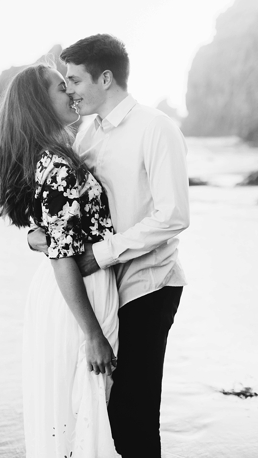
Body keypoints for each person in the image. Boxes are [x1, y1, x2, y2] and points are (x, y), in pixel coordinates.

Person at [27, 34, 190, 458]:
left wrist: (98, 255)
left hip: (148, 284)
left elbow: (173, 216)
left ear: (105, 78)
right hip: (106, 289)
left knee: (133, 415)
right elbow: (67, 209)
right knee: (105, 409)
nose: (71, 91)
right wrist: (37, 236)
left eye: (75, 81)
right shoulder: (85, 135)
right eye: (65, 83)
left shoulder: (156, 128)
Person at [0, 62, 120, 457]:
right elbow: (63, 255)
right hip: (77, 294)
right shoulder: (57, 163)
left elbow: (49, 233)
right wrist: (92, 335)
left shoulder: (53, 154)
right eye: (62, 88)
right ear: (41, 102)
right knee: (83, 409)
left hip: (69, 289)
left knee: (78, 410)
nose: (72, 93)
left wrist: (35, 238)